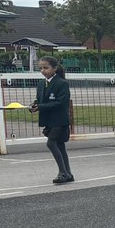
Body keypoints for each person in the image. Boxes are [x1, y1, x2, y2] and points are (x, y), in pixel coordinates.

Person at [31, 56, 74, 184]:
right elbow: (40, 99)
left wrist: (41, 106)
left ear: (54, 68)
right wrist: (35, 105)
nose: (43, 71)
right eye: (40, 68)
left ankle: (63, 173)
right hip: (49, 120)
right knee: (60, 145)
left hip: (59, 120)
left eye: (46, 68)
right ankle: (68, 173)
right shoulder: (41, 83)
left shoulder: (62, 83)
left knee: (51, 143)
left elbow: (61, 102)